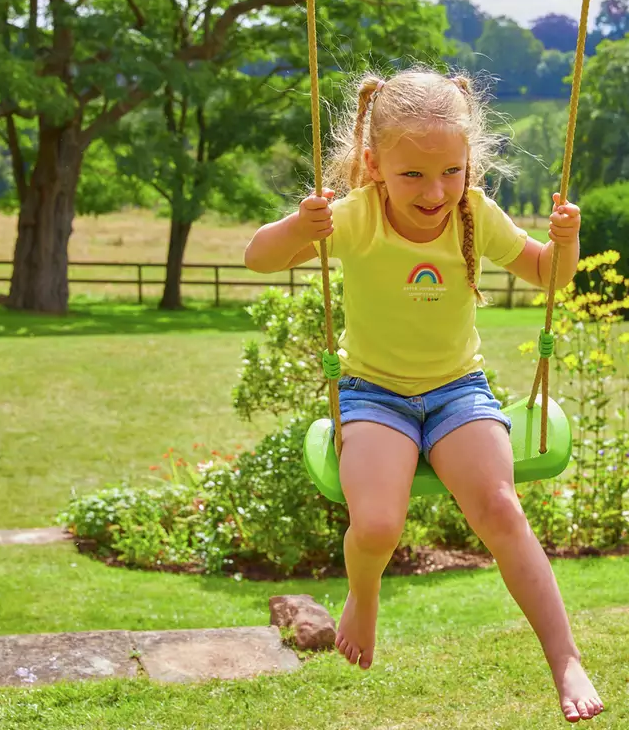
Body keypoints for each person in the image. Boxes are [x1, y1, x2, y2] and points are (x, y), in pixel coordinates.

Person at [244, 68, 603, 722]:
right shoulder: (357, 217)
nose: (435, 191)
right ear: (374, 165)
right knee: (377, 526)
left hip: (457, 393)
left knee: (502, 511)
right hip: (373, 396)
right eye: (412, 174)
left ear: (468, 164)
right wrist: (299, 227)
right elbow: (258, 257)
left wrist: (566, 241)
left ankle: (565, 657)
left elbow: (547, 274)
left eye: (451, 172)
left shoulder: (475, 214)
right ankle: (364, 593)